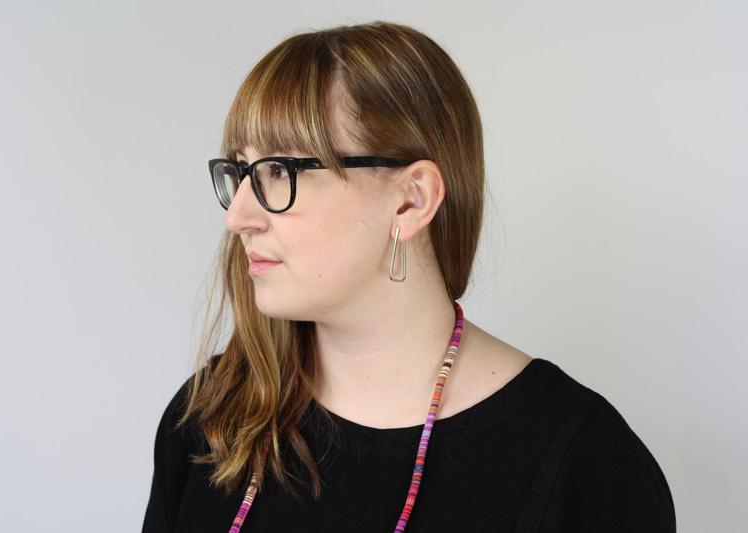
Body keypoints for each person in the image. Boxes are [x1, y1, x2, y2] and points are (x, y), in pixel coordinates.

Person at [142, 20, 676, 533]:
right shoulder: (211, 419)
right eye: (239, 172)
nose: (237, 217)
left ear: (410, 201)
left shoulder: (585, 463)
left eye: (278, 171)